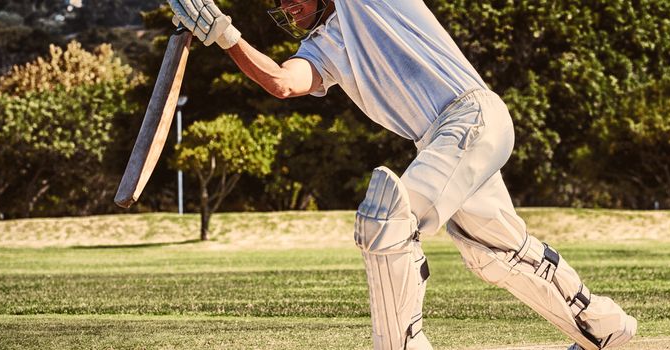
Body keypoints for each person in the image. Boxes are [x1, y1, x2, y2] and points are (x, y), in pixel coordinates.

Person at [166, 0, 637, 349]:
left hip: (471, 115)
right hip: (442, 139)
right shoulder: (325, 45)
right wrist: (226, 37)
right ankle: (603, 325)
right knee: (496, 254)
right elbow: (282, 82)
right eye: (280, 5)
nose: (288, 8)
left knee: (386, 218)